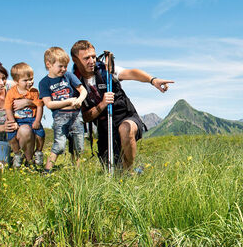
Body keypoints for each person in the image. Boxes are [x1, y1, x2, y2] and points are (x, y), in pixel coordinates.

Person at [70, 39, 173, 170]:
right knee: (113, 170)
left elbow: (131, 73)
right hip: (105, 128)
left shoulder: (106, 70)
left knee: (125, 129)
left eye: (93, 56)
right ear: (75, 60)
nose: (92, 61)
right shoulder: (74, 84)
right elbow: (83, 118)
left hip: (126, 116)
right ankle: (132, 170)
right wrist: (102, 105)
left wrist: (153, 80)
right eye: (86, 58)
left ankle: (130, 173)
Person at [38, 47, 88, 172]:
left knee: (78, 146)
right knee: (59, 145)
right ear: (48, 64)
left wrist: (79, 100)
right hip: (60, 117)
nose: (64, 69)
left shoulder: (68, 76)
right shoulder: (44, 82)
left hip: (76, 115)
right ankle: (47, 170)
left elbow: (83, 90)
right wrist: (67, 101)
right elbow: (48, 104)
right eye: (60, 66)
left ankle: (76, 172)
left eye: (65, 66)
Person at [4, 62, 45, 168]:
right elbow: (8, 108)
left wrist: (37, 121)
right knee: (11, 137)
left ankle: (38, 152)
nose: (30, 82)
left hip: (32, 119)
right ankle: (17, 154)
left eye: (31, 79)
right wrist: (12, 121)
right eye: (25, 80)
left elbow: (40, 106)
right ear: (16, 81)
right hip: (18, 120)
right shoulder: (11, 93)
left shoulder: (35, 92)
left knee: (40, 134)